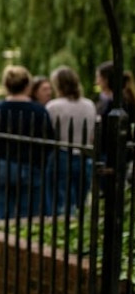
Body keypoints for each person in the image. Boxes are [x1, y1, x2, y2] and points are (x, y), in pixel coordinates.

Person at [0, 65, 54, 219]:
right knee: (29, 217)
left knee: (2, 213)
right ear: (28, 86)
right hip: (30, 165)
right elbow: (49, 140)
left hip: (2, 164)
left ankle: (2, 240)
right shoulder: (38, 110)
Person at [45, 66, 96, 213]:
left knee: (60, 200)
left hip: (62, 153)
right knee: (81, 199)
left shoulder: (54, 106)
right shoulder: (89, 105)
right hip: (84, 154)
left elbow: (49, 132)